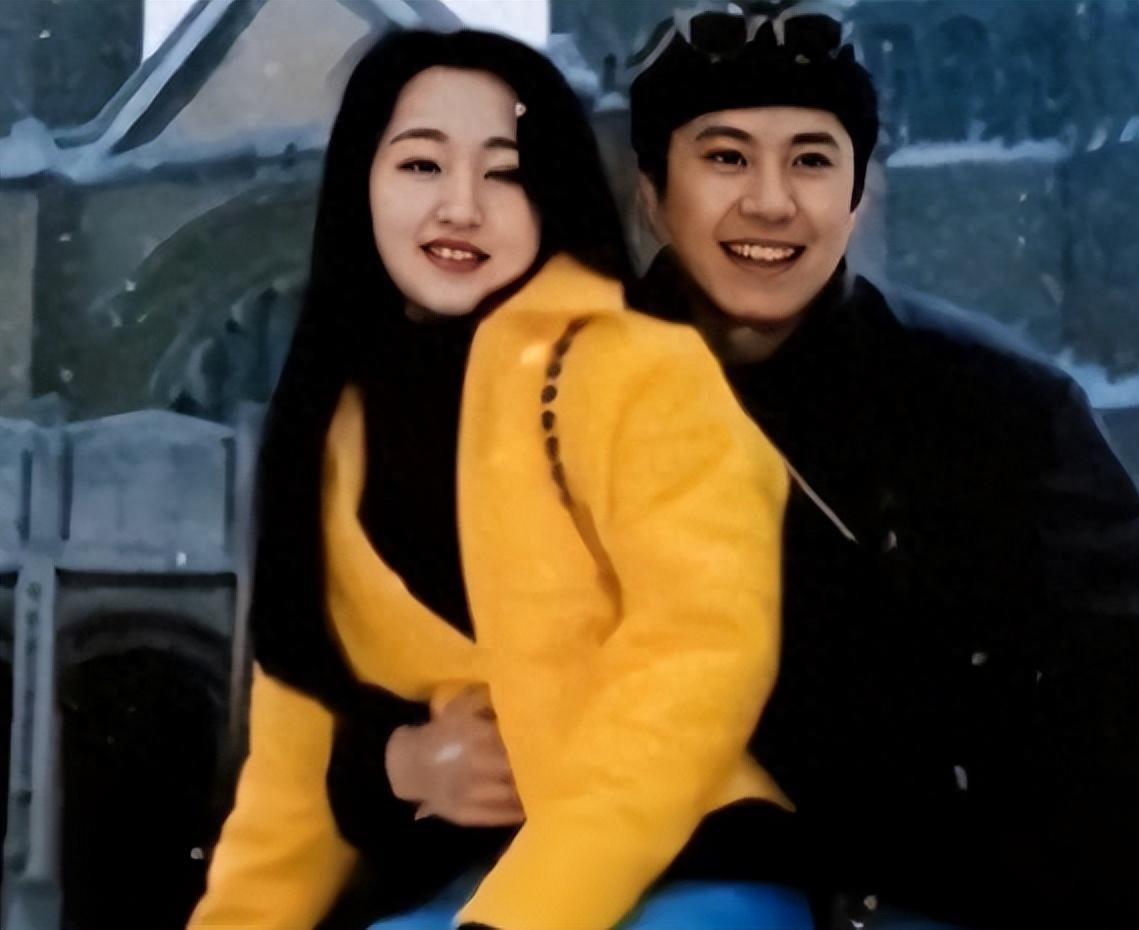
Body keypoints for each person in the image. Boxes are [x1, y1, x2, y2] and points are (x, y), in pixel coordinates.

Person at [622, 3, 1139, 928]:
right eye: (726, 157)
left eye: (812, 160)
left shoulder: (992, 406)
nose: (770, 201)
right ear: (651, 191)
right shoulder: (537, 398)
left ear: (858, 194)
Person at [189, 28, 813, 930]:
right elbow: (294, 763)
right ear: (362, 184)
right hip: (459, 886)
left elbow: (700, 660)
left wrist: (530, 908)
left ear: (551, 191)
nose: (461, 207)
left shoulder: (638, 372)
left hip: (684, 867)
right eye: (420, 165)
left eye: (505, 172)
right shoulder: (328, 431)